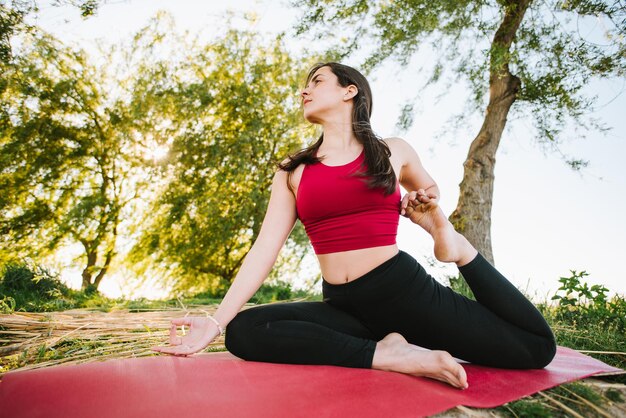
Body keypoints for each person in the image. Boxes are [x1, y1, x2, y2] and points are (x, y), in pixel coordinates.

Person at [151, 62, 556, 389]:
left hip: (403, 292)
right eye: (305, 85)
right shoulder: (293, 171)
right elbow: (264, 249)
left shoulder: (391, 151)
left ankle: (459, 250)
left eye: (317, 81)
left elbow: (428, 186)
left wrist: (427, 207)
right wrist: (216, 321)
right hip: (344, 306)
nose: (304, 90)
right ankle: (386, 354)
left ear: (350, 91)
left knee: (536, 349)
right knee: (243, 332)